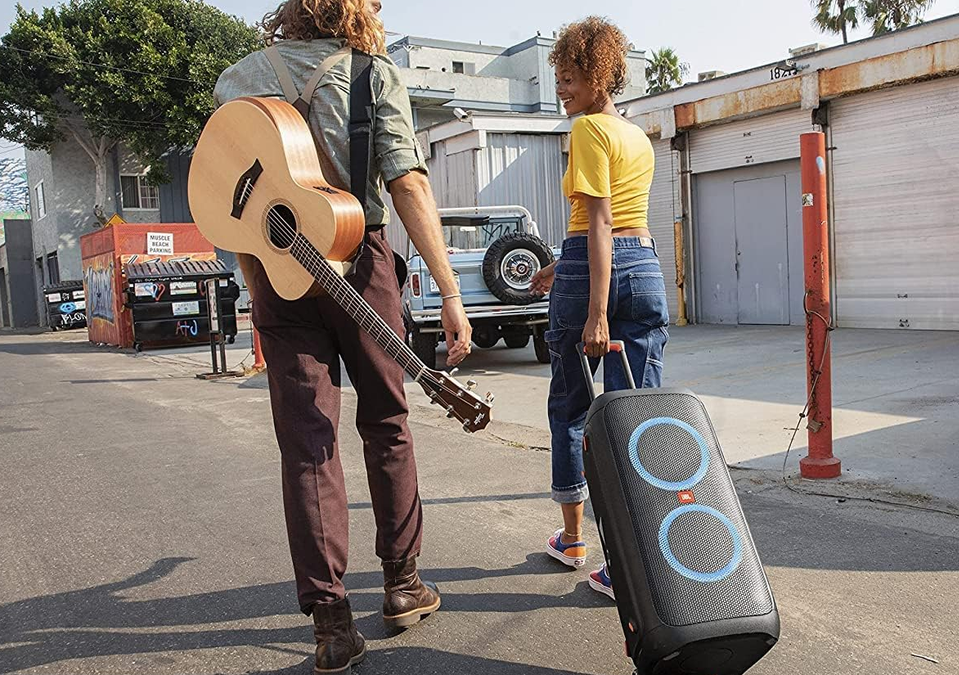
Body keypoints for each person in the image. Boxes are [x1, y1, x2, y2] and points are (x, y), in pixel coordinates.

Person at [213, 1, 473, 672]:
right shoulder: (371, 74)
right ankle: (403, 585)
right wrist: (448, 289)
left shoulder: (238, 79)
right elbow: (408, 183)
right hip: (361, 258)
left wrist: (256, 277)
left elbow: (230, 201)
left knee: (306, 445)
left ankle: (331, 623)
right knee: (387, 419)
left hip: (279, 269)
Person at [529, 16, 669, 601]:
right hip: (645, 269)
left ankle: (574, 541)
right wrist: (559, 264)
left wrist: (594, 311)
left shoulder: (587, 130)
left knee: (573, 409)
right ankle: (636, 559)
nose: (562, 89)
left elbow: (601, 221)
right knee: (638, 418)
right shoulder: (636, 134)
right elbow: (624, 225)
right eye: (558, 78)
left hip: (599, 273)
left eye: (572, 78)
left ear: (601, 75)